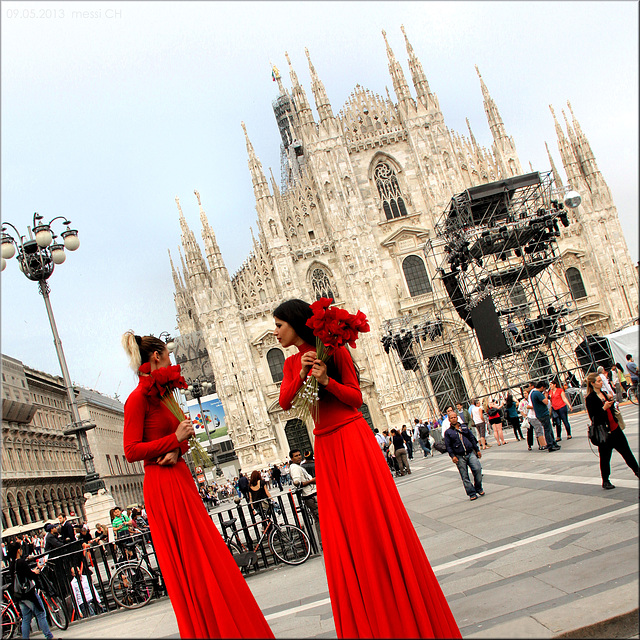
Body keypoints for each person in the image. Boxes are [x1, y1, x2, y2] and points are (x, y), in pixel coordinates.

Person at [275, 299, 460, 638]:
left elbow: (356, 398)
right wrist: (302, 373)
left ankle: (396, 599)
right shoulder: (291, 364)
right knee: (345, 529)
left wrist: (327, 380)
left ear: (296, 323)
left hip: (351, 438)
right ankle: (369, 606)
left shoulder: (335, 349)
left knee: (371, 517)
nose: (275, 333)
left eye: (279, 325)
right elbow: (286, 402)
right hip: (326, 445)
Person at [122, 331, 273, 639]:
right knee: (192, 560)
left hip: (179, 476)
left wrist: (178, 447)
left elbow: (178, 437)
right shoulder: (138, 399)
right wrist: (173, 439)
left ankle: (223, 621)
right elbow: (131, 450)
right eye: (167, 355)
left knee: (204, 554)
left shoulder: (163, 395)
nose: (171, 360)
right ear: (155, 357)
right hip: (163, 485)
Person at [585, 372, 639, 489]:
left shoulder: (604, 394)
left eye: (601, 380)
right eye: (598, 381)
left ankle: (638, 472)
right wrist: (603, 408)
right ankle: (605, 480)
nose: (601, 382)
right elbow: (593, 418)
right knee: (605, 458)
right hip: (604, 433)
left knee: (627, 453)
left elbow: (611, 410)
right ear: (593, 383)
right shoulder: (590, 398)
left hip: (615, 429)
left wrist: (611, 404)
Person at [7, 541, 55, 640]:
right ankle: (49, 636)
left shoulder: (12, 565)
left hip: (20, 595)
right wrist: (37, 571)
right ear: (18, 551)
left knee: (26, 619)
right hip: (29, 593)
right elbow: (30, 575)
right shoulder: (21, 562)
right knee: (40, 613)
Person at [443, 410, 484, 501]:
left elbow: (472, 438)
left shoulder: (464, 427)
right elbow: (448, 446)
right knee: (464, 476)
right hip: (459, 456)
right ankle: (471, 493)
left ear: (457, 418)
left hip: (470, 452)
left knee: (477, 469)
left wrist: (477, 450)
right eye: (451, 418)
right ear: (449, 420)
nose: (453, 419)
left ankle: (478, 487)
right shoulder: (448, 432)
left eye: (455, 417)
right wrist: (452, 456)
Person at [289, 448, 321, 546]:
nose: (299, 457)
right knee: (320, 518)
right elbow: (296, 482)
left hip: (310, 495)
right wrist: (311, 481)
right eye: (296, 456)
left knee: (318, 519)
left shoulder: (299, 466)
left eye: (299, 455)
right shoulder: (295, 468)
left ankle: (323, 541)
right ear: (291, 458)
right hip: (310, 495)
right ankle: (323, 542)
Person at [531, 381, 560, 452]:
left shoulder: (533, 393)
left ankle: (553, 443)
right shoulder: (538, 393)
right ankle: (550, 445)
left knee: (549, 429)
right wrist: (546, 395)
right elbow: (546, 402)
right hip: (543, 413)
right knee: (547, 429)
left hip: (539, 414)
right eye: (544, 388)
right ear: (541, 387)